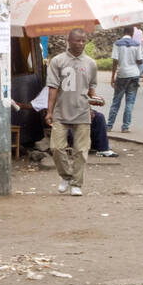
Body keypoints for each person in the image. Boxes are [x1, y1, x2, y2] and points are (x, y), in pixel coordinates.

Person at [45, 28, 103, 197]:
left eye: (84, 41)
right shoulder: (57, 61)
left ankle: (76, 184)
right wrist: (49, 112)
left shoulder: (90, 63)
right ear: (68, 41)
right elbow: (53, 88)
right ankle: (66, 176)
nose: (81, 44)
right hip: (61, 112)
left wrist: (95, 100)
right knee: (56, 147)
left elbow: (91, 89)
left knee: (81, 150)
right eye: (77, 40)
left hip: (82, 112)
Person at [109, 25, 142, 132]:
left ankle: (109, 125)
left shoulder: (117, 44)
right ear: (132, 33)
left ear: (124, 32)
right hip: (134, 75)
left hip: (122, 75)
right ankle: (125, 127)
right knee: (130, 102)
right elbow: (140, 60)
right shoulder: (137, 44)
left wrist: (112, 76)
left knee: (116, 101)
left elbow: (115, 61)